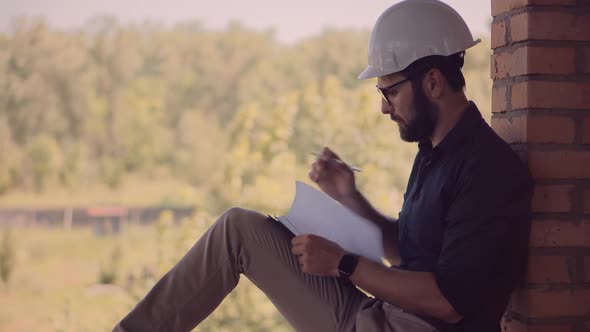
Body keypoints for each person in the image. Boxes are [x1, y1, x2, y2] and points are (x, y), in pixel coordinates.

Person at [113, 0, 533, 331]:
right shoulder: (435, 153)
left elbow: (450, 303)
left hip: (403, 326)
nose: (384, 109)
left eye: (390, 92)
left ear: (434, 82)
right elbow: (409, 251)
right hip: (380, 314)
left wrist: (343, 263)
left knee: (237, 232)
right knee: (239, 228)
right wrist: (350, 198)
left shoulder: (485, 170)